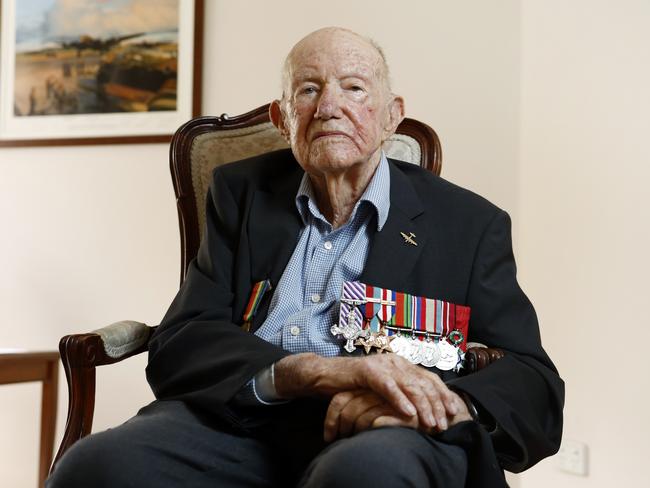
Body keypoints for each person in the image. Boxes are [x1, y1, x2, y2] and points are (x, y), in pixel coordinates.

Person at [47, 27, 564, 488]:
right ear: (283, 117)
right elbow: (183, 339)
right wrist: (310, 371)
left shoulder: (468, 224)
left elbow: (534, 381)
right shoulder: (241, 193)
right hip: (246, 420)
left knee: (360, 474)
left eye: (355, 88)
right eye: (309, 89)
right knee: (93, 468)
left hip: (381, 431)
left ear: (392, 117)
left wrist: (454, 405)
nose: (329, 106)